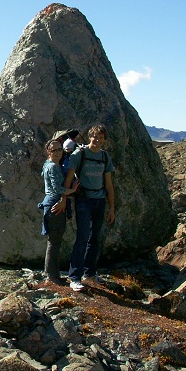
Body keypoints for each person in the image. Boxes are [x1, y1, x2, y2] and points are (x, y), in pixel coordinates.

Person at [64, 124, 115, 292]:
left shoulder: (105, 157)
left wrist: (112, 208)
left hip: (99, 201)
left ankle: (90, 273)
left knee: (95, 238)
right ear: (90, 136)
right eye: (95, 137)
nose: (98, 140)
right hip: (83, 200)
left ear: (104, 140)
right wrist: (64, 198)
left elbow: (109, 184)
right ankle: (74, 277)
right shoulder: (80, 154)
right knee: (82, 237)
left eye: (101, 138)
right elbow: (69, 177)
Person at [39, 139, 79, 284]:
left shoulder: (48, 164)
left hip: (50, 204)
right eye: (54, 150)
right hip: (55, 205)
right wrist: (72, 190)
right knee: (54, 242)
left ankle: (52, 274)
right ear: (49, 151)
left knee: (54, 241)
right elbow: (57, 189)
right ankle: (52, 276)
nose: (57, 152)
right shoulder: (53, 167)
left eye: (59, 149)